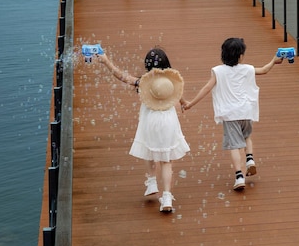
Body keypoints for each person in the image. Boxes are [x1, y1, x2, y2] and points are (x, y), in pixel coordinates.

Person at [95, 46, 190, 213]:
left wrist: (106, 61)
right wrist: (183, 102)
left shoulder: (144, 82)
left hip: (150, 121)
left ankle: (151, 182)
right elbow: (177, 92)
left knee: (149, 150)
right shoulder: (169, 83)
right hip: (168, 122)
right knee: (167, 160)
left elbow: (122, 76)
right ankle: (167, 196)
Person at [181, 37, 282, 192]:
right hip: (246, 111)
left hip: (229, 114)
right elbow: (264, 70)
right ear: (241, 56)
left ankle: (239, 176)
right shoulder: (247, 69)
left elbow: (207, 88)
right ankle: (250, 159)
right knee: (247, 137)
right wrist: (274, 60)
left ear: (223, 54)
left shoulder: (218, 71)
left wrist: (190, 104)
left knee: (234, 145)